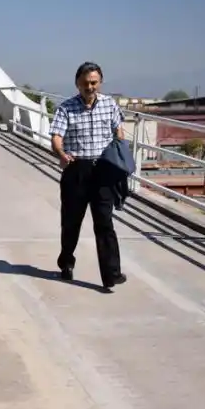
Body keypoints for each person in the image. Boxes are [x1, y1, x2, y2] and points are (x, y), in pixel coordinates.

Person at [49, 61, 127, 291]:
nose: (90, 87)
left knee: (104, 222)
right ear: (77, 84)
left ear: (100, 82)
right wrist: (61, 154)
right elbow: (56, 137)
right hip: (77, 170)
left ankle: (111, 274)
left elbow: (118, 130)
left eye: (94, 82)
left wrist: (120, 152)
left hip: (102, 169)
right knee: (71, 222)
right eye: (85, 83)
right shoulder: (66, 108)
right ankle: (66, 262)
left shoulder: (109, 105)